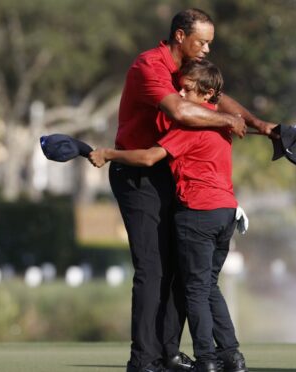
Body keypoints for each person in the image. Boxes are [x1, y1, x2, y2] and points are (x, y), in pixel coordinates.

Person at [109, 8, 274, 372]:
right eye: (202, 41)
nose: (206, 49)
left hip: (167, 170)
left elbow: (213, 97)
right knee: (152, 270)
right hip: (138, 172)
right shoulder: (149, 66)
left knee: (182, 269)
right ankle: (143, 360)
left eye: (210, 43)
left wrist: (261, 125)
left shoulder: (187, 73)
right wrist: (229, 122)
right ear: (180, 36)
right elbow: (182, 111)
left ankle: (167, 352)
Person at [91, 60, 248, 372]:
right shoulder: (222, 126)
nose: (179, 92)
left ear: (208, 94)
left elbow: (150, 157)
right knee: (209, 286)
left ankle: (206, 360)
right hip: (227, 212)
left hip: (198, 215)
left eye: (187, 89)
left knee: (195, 292)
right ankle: (232, 356)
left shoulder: (191, 127)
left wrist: (108, 154)